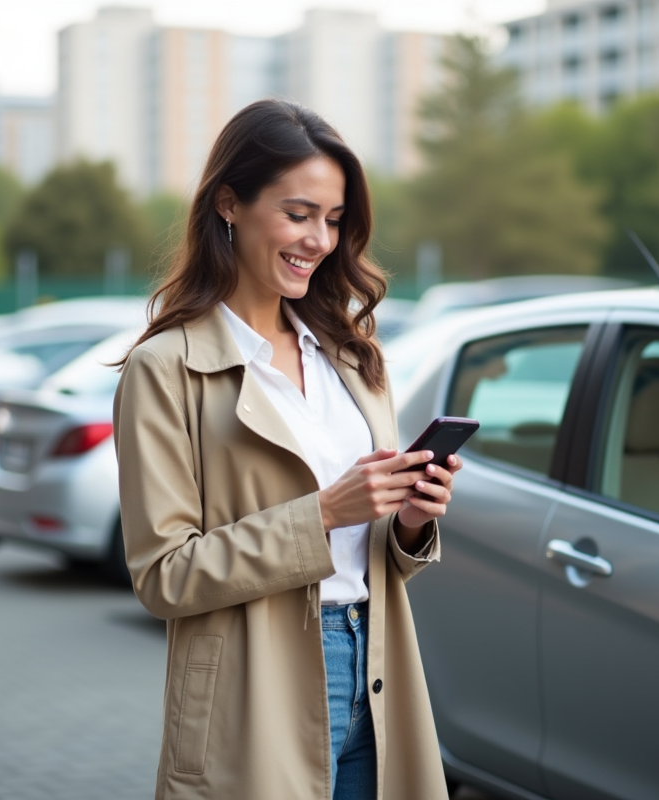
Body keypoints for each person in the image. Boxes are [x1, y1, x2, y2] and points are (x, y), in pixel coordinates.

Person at [113, 98, 461, 800]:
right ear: (230, 204)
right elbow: (165, 577)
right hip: (255, 686)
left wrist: (411, 521)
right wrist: (323, 513)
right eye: (298, 214)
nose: (320, 240)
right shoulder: (166, 370)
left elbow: (368, 552)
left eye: (334, 221)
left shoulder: (355, 359)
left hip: (379, 664)